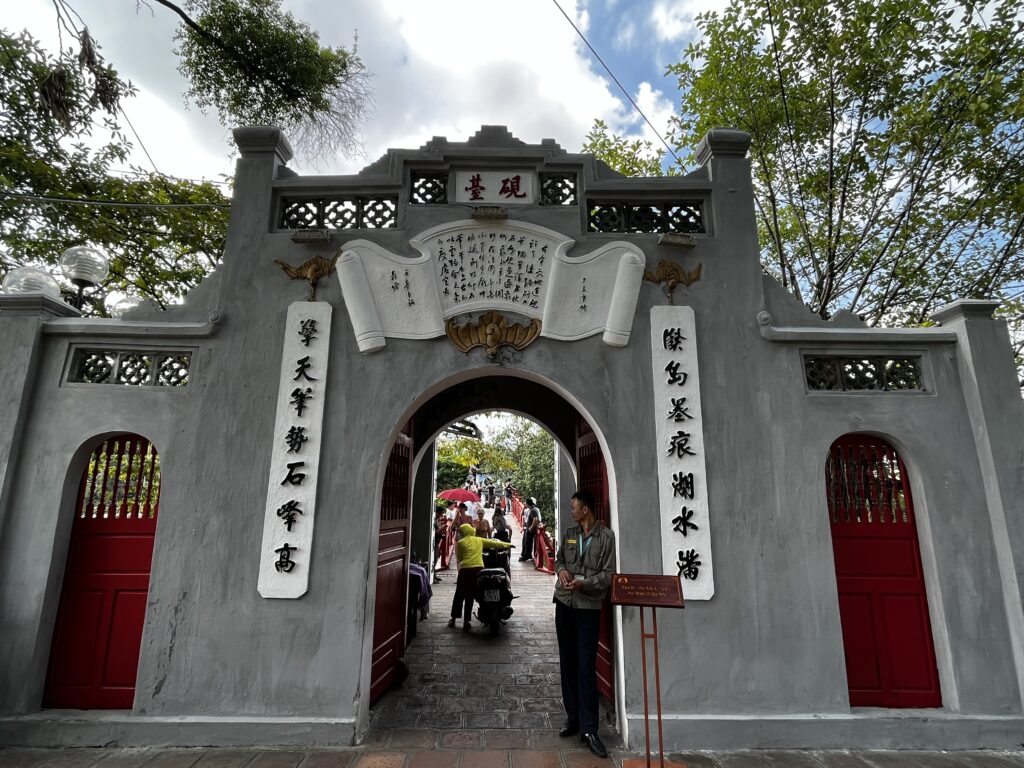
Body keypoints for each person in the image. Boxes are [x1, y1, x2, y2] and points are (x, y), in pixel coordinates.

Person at [553, 490, 615, 759]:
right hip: (564, 604)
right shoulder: (569, 532)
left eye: (574, 507)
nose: (571, 511)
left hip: (588, 608)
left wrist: (584, 584)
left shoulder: (606, 537)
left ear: (586, 509)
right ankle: (574, 718)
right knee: (567, 664)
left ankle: (590, 728)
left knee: (585, 667)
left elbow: (608, 574)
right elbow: (558, 560)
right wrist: (562, 571)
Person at [448, 523, 514, 632]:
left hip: (465, 570)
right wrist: (508, 545)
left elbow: (459, 558)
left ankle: (453, 620)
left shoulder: (459, 543)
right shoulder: (479, 540)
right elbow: (494, 543)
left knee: (459, 595)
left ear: (463, 533)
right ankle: (466, 622)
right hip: (478, 570)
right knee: (471, 595)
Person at [519, 496, 541, 562]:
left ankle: (526, 556)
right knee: (525, 542)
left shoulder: (533, 510)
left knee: (528, 543)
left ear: (528, 503)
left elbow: (535, 519)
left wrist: (531, 527)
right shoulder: (531, 509)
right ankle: (526, 555)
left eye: (526, 503)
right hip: (527, 528)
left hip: (530, 529)